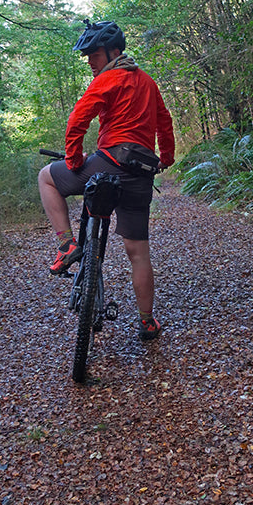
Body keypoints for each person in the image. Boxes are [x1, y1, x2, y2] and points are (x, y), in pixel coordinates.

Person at [38, 19, 175, 340]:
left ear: (113, 52)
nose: (89, 61)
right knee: (138, 252)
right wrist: (166, 158)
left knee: (46, 177)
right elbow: (164, 123)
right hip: (141, 174)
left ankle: (67, 244)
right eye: (87, 55)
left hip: (109, 164)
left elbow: (78, 121)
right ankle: (147, 321)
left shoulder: (107, 80)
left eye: (94, 54)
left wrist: (73, 160)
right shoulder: (148, 82)